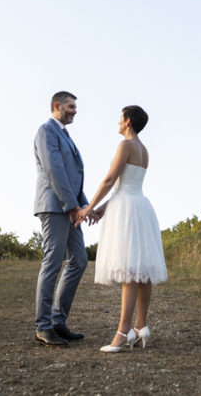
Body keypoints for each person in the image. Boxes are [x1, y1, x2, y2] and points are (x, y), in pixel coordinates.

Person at [76, 105, 167, 353]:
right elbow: (124, 186)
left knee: (130, 271)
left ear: (127, 121)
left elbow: (110, 179)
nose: (117, 122)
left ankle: (122, 332)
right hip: (139, 205)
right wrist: (102, 209)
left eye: (120, 117)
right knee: (142, 271)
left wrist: (88, 207)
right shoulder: (144, 150)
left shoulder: (125, 145)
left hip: (127, 209)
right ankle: (141, 327)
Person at [33, 91, 89, 346]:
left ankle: (58, 321)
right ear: (57, 105)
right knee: (53, 261)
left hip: (71, 206)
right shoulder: (47, 131)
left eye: (75, 107)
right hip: (56, 206)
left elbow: (72, 173)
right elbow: (55, 171)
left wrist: (84, 205)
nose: (75, 110)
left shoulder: (65, 135)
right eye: (71, 106)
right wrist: (71, 206)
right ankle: (43, 327)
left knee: (78, 259)